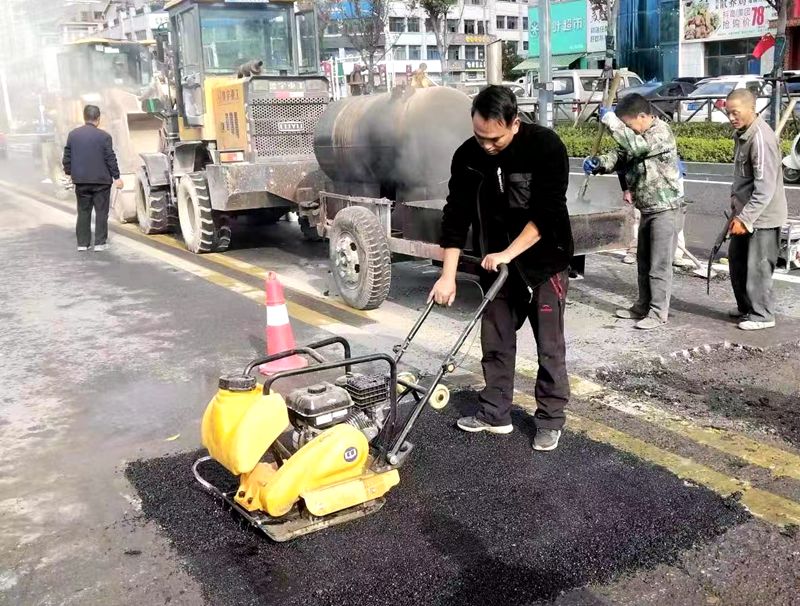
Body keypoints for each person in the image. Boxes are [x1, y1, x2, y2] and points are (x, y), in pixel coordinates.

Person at [429, 86, 573, 452]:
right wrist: (447, 275)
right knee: (494, 340)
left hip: (543, 262)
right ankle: (495, 413)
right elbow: (455, 215)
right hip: (495, 263)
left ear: (515, 123)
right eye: (480, 136)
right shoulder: (467, 156)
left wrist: (510, 252)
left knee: (549, 345)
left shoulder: (545, 147)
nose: (487, 145)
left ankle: (550, 419)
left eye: (494, 138)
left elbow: (548, 213)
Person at [583, 93, 684, 330]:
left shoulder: (661, 133)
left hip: (665, 209)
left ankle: (658, 312)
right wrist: (599, 163)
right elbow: (621, 154)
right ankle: (642, 305)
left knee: (659, 265)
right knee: (644, 262)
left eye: (628, 124)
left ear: (642, 116)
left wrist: (612, 122)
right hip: (647, 208)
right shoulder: (636, 135)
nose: (628, 129)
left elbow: (635, 146)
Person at [725, 88, 787, 330]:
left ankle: (763, 315)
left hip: (762, 217)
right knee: (737, 262)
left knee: (758, 267)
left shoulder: (761, 138)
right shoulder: (743, 133)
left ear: (752, 109)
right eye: (728, 113)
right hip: (744, 212)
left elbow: (765, 188)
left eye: (735, 113)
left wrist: (746, 218)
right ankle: (746, 308)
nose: (731, 118)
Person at [62, 105, 123, 251]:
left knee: (83, 211)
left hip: (81, 181)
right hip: (101, 181)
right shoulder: (104, 136)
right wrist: (117, 177)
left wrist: (70, 173)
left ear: (84, 117)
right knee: (101, 212)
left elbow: (67, 157)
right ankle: (100, 243)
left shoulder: (73, 135)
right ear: (98, 118)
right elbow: (110, 158)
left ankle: (82, 244)